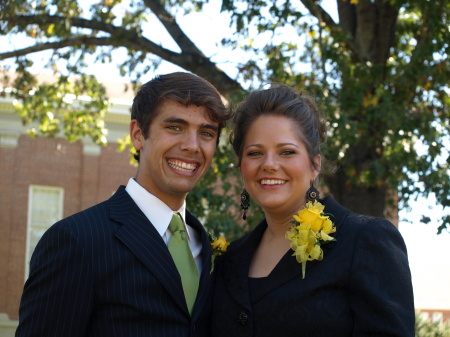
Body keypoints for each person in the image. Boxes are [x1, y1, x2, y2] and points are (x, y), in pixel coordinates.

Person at [15, 72, 231, 337]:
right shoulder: (75, 240)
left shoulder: (206, 248)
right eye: (175, 127)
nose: (192, 145)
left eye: (206, 133)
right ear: (138, 135)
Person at [211, 85, 415, 336]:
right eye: (255, 153)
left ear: (314, 165)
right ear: (241, 166)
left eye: (287, 152)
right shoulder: (229, 260)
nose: (269, 164)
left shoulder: (364, 240)